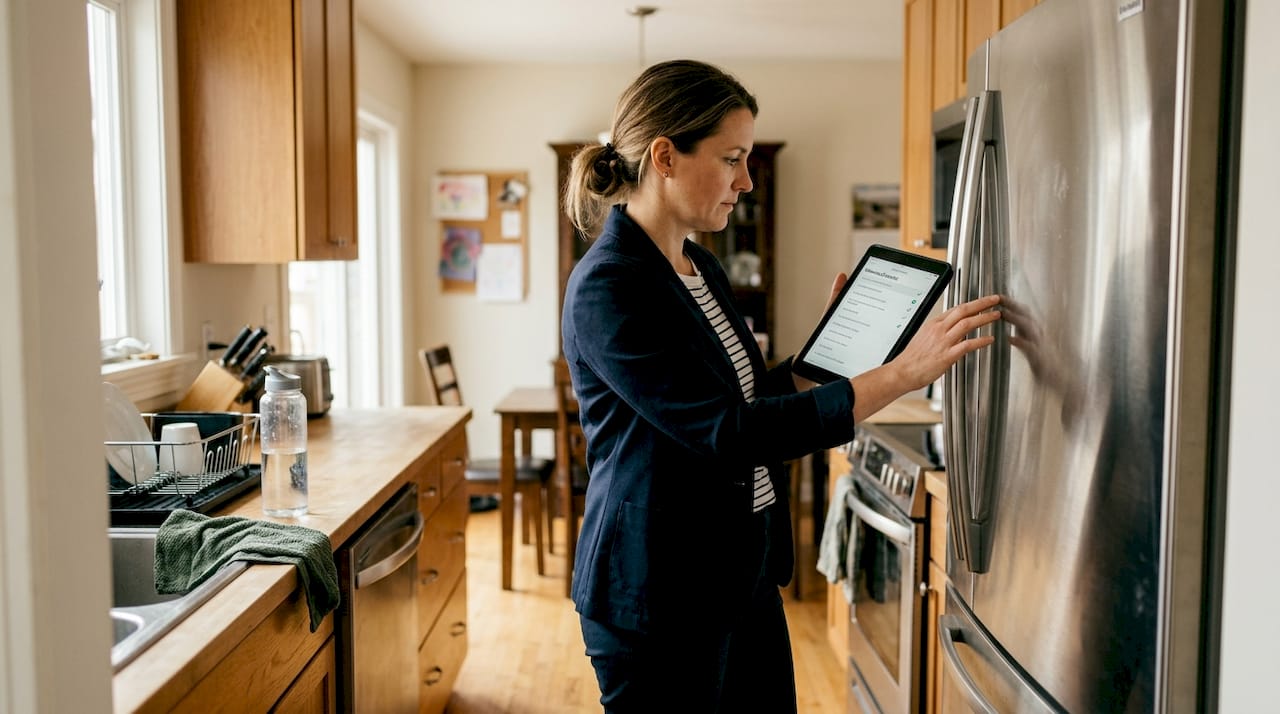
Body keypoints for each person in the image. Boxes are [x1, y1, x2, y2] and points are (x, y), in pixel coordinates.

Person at [560, 58, 1002, 713]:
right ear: (665, 156)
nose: (744, 180)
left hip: (740, 573)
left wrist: (831, 348)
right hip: (659, 591)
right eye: (732, 157)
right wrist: (900, 377)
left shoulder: (696, 264)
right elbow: (727, 433)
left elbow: (745, 396)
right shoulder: (610, 286)